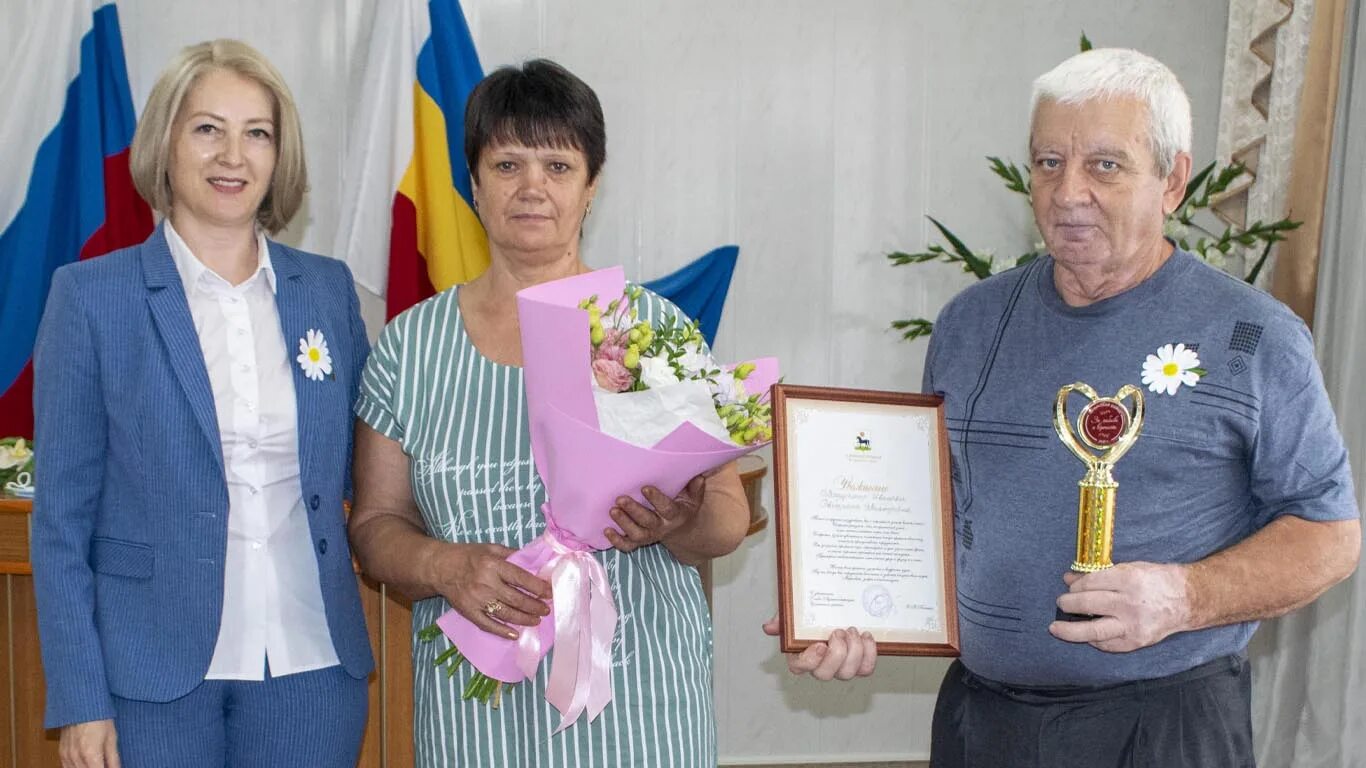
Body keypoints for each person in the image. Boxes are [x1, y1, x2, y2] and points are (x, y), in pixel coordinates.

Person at [770, 47, 1360, 767]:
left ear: (1172, 181)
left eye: (1105, 165)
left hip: (1164, 725)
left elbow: (1330, 534)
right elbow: (936, 511)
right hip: (980, 719)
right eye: (1048, 162)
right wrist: (848, 611)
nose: (1067, 191)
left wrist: (1187, 596)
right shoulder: (970, 322)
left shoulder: (1254, 337)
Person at [347, 58, 750, 767]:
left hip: (642, 710)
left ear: (592, 186)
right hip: (476, 718)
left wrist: (680, 520)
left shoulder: (653, 331)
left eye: (558, 165)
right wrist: (442, 565)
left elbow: (726, 519)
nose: (532, 186)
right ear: (473, 183)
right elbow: (377, 525)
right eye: (507, 164)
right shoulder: (410, 347)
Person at [32, 39, 373, 768]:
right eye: (208, 128)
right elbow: (60, 523)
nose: (234, 155)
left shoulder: (328, 290)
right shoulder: (91, 298)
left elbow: (373, 468)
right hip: (148, 677)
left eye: (258, 133)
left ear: (280, 156)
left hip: (311, 664)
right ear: (167, 142)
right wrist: (80, 698)